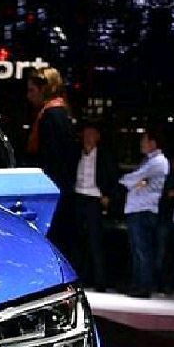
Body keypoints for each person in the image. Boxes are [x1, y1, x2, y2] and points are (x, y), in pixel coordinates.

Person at [25, 66, 79, 260]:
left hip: (54, 190)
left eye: (32, 90)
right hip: (61, 189)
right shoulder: (60, 112)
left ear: (44, 89)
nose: (29, 96)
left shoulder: (52, 115)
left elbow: (54, 160)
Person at [120, 127, 169, 299]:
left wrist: (133, 181)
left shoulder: (158, 162)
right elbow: (137, 179)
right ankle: (138, 283)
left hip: (143, 210)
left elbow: (132, 178)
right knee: (137, 250)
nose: (141, 143)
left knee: (142, 250)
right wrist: (138, 181)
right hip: (138, 209)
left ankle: (144, 286)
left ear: (153, 143)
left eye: (144, 140)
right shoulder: (149, 161)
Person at [72, 120, 119, 290]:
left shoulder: (104, 156)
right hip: (78, 197)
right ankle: (78, 279)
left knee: (95, 241)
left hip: (94, 198)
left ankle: (100, 281)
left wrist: (108, 196)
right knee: (77, 241)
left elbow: (113, 178)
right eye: (85, 134)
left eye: (91, 135)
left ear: (97, 137)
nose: (88, 138)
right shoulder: (75, 154)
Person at [157, 148, 174, 295]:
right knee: (165, 253)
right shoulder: (167, 177)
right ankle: (163, 283)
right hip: (168, 218)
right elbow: (163, 194)